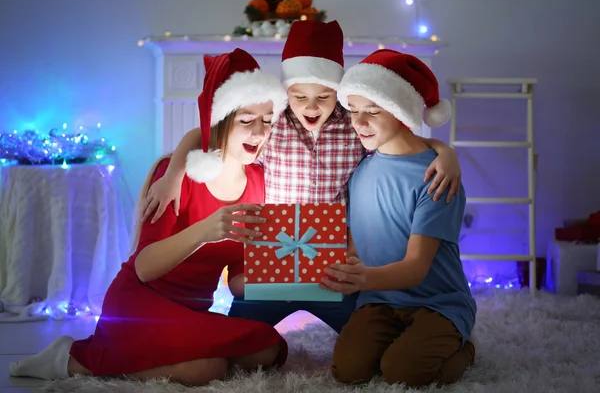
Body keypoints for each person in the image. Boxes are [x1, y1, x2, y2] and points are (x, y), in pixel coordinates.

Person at [141, 21, 463, 335]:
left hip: (332, 258)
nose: (311, 106)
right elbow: (208, 132)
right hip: (274, 257)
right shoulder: (271, 123)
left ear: (336, 94)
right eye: (299, 97)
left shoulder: (353, 125)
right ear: (285, 92)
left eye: (323, 97)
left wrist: (443, 151)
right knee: (237, 344)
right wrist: (173, 174)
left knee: (365, 340)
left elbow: (396, 136)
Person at [8, 48, 290, 386]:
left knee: (269, 347)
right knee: (208, 369)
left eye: (268, 121)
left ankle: (154, 352)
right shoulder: (175, 176)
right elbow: (143, 266)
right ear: (220, 118)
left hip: (190, 315)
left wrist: (292, 275)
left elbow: (238, 281)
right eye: (247, 121)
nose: (259, 133)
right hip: (139, 304)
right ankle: (75, 361)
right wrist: (204, 231)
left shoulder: (259, 181)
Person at [320, 49, 477, 388]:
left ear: (402, 111)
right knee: (349, 370)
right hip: (379, 302)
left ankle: (465, 350)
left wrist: (361, 279)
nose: (359, 122)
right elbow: (355, 247)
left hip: (438, 303)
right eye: (354, 111)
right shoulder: (359, 172)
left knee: (403, 372)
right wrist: (342, 270)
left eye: (372, 111)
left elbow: (416, 267)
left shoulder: (437, 178)